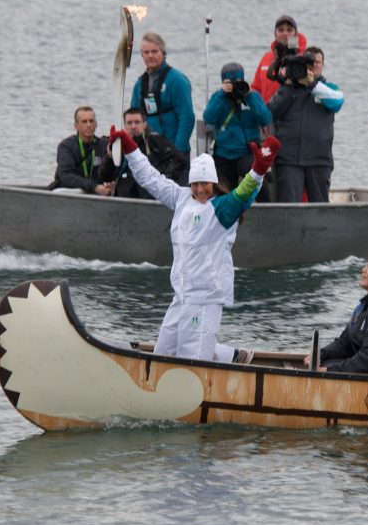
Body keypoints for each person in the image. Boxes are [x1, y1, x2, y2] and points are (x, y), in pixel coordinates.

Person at [107, 126, 280, 360]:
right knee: (163, 354)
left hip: (205, 299)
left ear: (213, 182)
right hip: (182, 296)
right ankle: (232, 356)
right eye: (195, 184)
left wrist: (258, 170)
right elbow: (150, 178)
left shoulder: (221, 209)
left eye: (205, 184)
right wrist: (129, 146)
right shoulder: (181, 198)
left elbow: (244, 194)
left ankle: (220, 370)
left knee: (194, 360)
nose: (199, 189)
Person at [268, 46, 344, 203]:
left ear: (322, 65)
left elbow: (337, 102)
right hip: (290, 160)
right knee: (289, 208)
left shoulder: (328, 89)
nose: (314, 65)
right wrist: (289, 85)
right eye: (310, 63)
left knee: (321, 209)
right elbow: (271, 112)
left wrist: (312, 85)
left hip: (319, 160)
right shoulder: (289, 89)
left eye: (318, 62)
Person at [202, 62, 273, 200]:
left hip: (247, 152)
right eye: (230, 82)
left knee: (256, 176)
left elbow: (265, 119)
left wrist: (250, 96)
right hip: (224, 153)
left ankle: (267, 209)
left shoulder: (251, 96)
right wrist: (222, 94)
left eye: (238, 82)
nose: (235, 86)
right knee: (223, 193)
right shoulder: (219, 97)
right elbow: (208, 118)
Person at [130, 32, 195, 158]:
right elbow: (132, 119)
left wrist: (178, 151)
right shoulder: (139, 84)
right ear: (142, 55)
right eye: (146, 52)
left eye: (154, 51)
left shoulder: (177, 80)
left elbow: (187, 117)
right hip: (149, 152)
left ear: (163, 52)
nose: (150, 56)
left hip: (174, 150)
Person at [114, 107, 189, 198]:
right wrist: (109, 157)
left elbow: (180, 160)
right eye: (129, 123)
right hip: (126, 197)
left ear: (144, 124)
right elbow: (106, 174)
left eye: (137, 122)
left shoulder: (154, 140)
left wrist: (163, 181)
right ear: (124, 126)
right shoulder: (119, 144)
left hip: (150, 198)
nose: (133, 126)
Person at [49, 106, 115, 195]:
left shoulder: (104, 145)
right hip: (72, 190)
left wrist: (110, 184)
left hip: (97, 191)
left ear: (96, 124)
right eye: (84, 122)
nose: (88, 125)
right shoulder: (66, 146)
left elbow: (109, 173)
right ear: (76, 126)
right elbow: (66, 176)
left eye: (91, 121)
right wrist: (93, 187)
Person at [251, 14, 307, 104]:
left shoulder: (304, 58)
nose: (285, 33)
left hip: (293, 115)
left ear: (296, 34)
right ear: (275, 34)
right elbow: (256, 88)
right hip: (268, 113)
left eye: (289, 30)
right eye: (281, 30)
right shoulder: (267, 57)